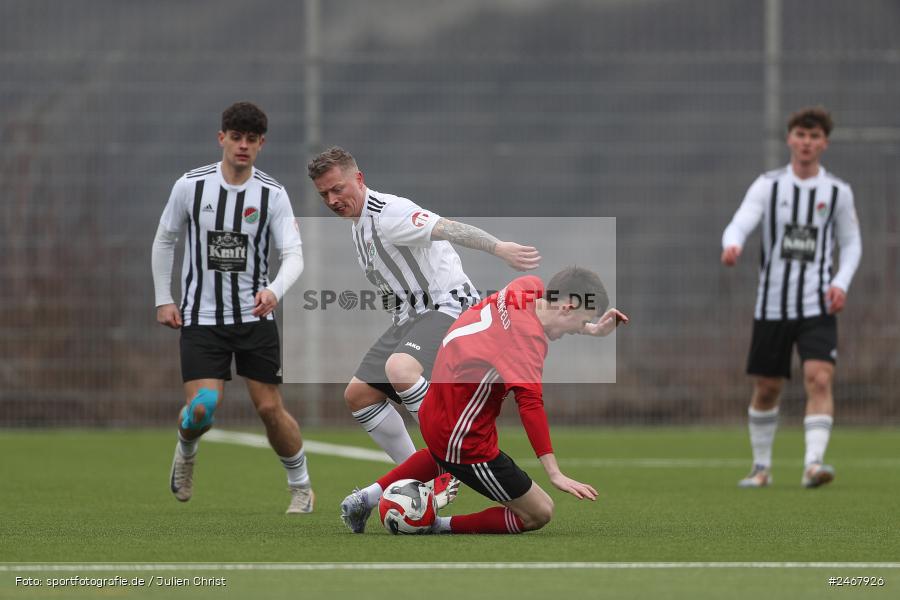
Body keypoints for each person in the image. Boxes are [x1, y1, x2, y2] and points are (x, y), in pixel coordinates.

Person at [339, 267, 628, 534]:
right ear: (568, 306)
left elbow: (550, 320)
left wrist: (594, 329)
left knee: (441, 456)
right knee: (539, 512)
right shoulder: (527, 342)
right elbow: (531, 406)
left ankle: (366, 497)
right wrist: (555, 473)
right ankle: (434, 524)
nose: (577, 329)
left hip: (434, 408)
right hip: (464, 440)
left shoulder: (526, 288)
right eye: (583, 320)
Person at [307, 147, 541, 463]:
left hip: (449, 307)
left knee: (400, 369)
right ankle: (417, 479)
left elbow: (446, 227)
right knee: (359, 396)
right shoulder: (358, 226)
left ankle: (448, 462)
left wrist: (498, 247)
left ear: (359, 179)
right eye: (324, 194)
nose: (332, 200)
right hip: (410, 320)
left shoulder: (389, 212)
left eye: (338, 189)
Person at [152, 101, 314, 513]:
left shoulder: (272, 194)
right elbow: (165, 240)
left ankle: (301, 486)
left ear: (261, 144)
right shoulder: (191, 186)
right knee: (204, 408)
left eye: (252, 140)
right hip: (201, 319)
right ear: (222, 138)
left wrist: (275, 290)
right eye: (236, 137)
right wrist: (164, 298)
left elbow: (294, 254)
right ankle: (186, 452)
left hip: (254, 318)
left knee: (269, 408)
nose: (243, 146)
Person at [721, 106, 862, 489]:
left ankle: (814, 464)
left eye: (814, 137)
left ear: (824, 144)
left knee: (819, 378)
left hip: (818, 304)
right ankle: (760, 468)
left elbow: (851, 245)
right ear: (790, 139)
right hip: (772, 305)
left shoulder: (837, 192)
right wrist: (732, 244)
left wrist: (841, 283)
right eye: (801, 135)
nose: (807, 143)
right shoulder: (769, 185)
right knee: (767, 387)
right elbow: (741, 219)